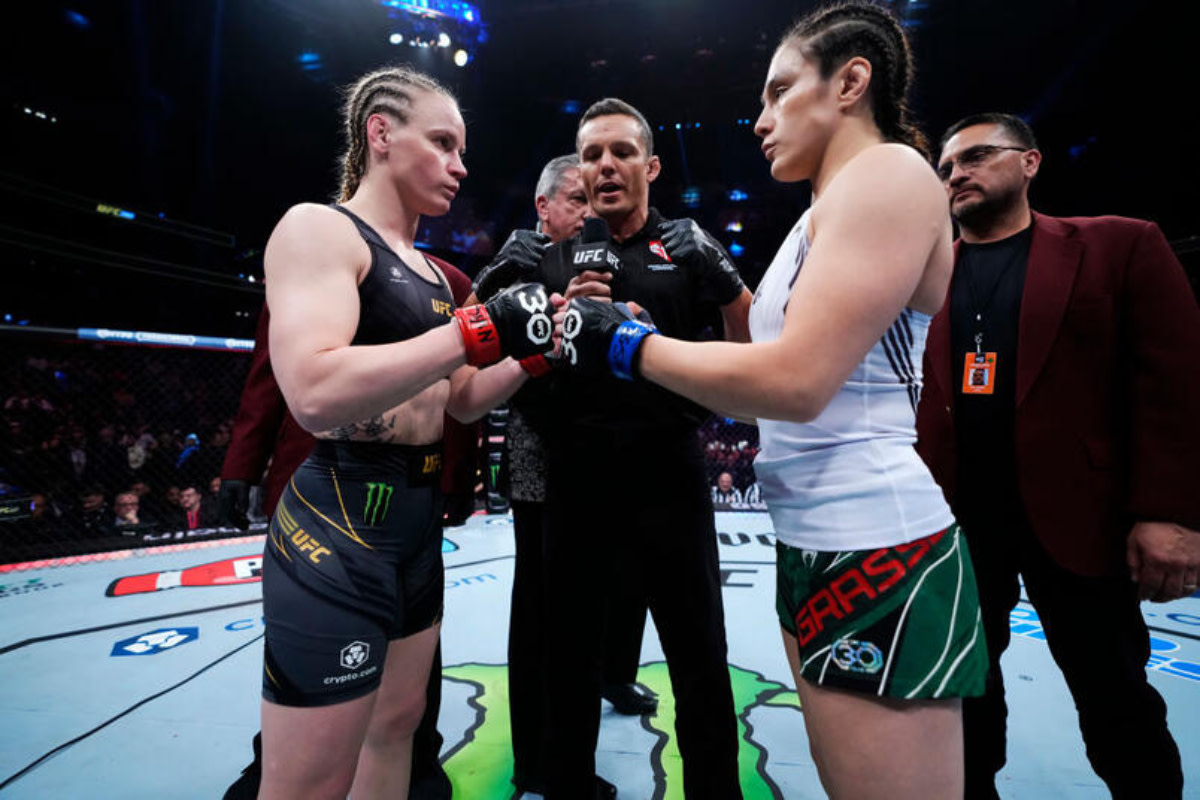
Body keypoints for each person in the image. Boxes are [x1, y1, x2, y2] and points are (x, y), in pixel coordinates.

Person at [557, 5, 988, 797]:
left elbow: (795, 383)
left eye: (779, 92)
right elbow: (765, 395)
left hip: (874, 538)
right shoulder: (819, 213)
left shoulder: (889, 174)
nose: (759, 121)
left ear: (851, 82)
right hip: (813, 534)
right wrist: (654, 342)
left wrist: (625, 344)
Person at [255, 65, 550, 800]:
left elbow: (463, 403)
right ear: (381, 134)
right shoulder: (319, 230)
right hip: (341, 519)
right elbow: (315, 392)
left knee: (398, 728)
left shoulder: (436, 276)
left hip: (417, 523)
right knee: (309, 779)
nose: (461, 165)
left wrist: (541, 351)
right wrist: (480, 329)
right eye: (444, 143)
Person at [915, 112, 1200, 799]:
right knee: (962, 705)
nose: (958, 173)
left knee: (1117, 705)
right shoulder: (918, 276)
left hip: (1080, 517)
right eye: (948, 166)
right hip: (954, 525)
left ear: (1031, 162)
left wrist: (1169, 513)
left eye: (978, 156)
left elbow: (1176, 384)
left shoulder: (1118, 245)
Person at [484, 97, 752, 798]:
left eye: (621, 152)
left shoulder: (688, 250)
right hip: (576, 481)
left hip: (670, 475)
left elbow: (750, 366)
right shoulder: (555, 257)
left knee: (698, 657)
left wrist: (728, 291)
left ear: (651, 166)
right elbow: (486, 381)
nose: (605, 166)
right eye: (593, 154)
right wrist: (504, 287)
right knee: (568, 658)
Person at [219, 254, 480, 800]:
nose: (456, 167)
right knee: (311, 655)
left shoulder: (449, 279)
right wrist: (242, 463)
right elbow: (273, 367)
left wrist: (456, 478)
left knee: (405, 687)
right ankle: (273, 765)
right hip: (322, 477)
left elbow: (457, 395)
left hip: (415, 488)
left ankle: (419, 769)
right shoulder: (321, 249)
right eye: (445, 157)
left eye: (461, 158)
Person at [476, 153, 656, 797]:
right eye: (576, 201)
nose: (590, 213)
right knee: (543, 610)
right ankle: (538, 759)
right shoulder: (519, 262)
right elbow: (467, 357)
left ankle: (603, 690)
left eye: (593, 200)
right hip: (541, 455)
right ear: (544, 207)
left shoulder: (608, 257)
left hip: (610, 453)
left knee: (610, 592)